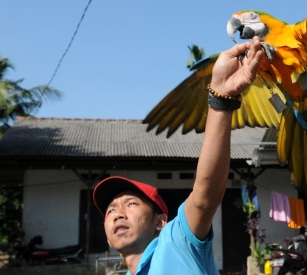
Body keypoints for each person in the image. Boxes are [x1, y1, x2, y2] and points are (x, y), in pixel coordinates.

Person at [92, 38, 264, 275]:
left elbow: (205, 197)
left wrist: (221, 98)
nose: (118, 213)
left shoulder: (175, 242)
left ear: (160, 222)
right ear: (108, 239)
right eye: (110, 210)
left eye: (131, 204)